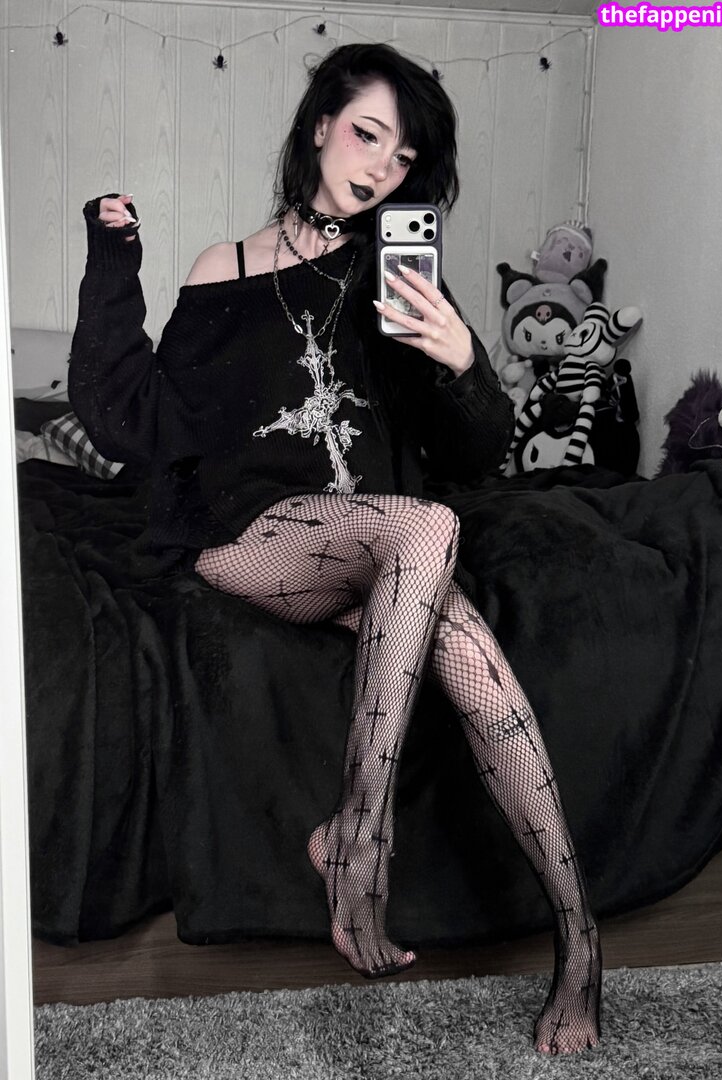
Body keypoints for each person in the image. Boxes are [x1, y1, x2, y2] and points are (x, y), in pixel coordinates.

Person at [70, 42, 602, 1055]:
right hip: (257, 535)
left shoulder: (393, 270)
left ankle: (580, 943)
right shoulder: (223, 270)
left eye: (403, 158)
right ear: (320, 125)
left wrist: (463, 362)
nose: (379, 168)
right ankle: (362, 836)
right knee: (427, 527)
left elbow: (476, 454)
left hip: (379, 541)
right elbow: (131, 414)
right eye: (366, 134)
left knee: (476, 661)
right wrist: (113, 259)